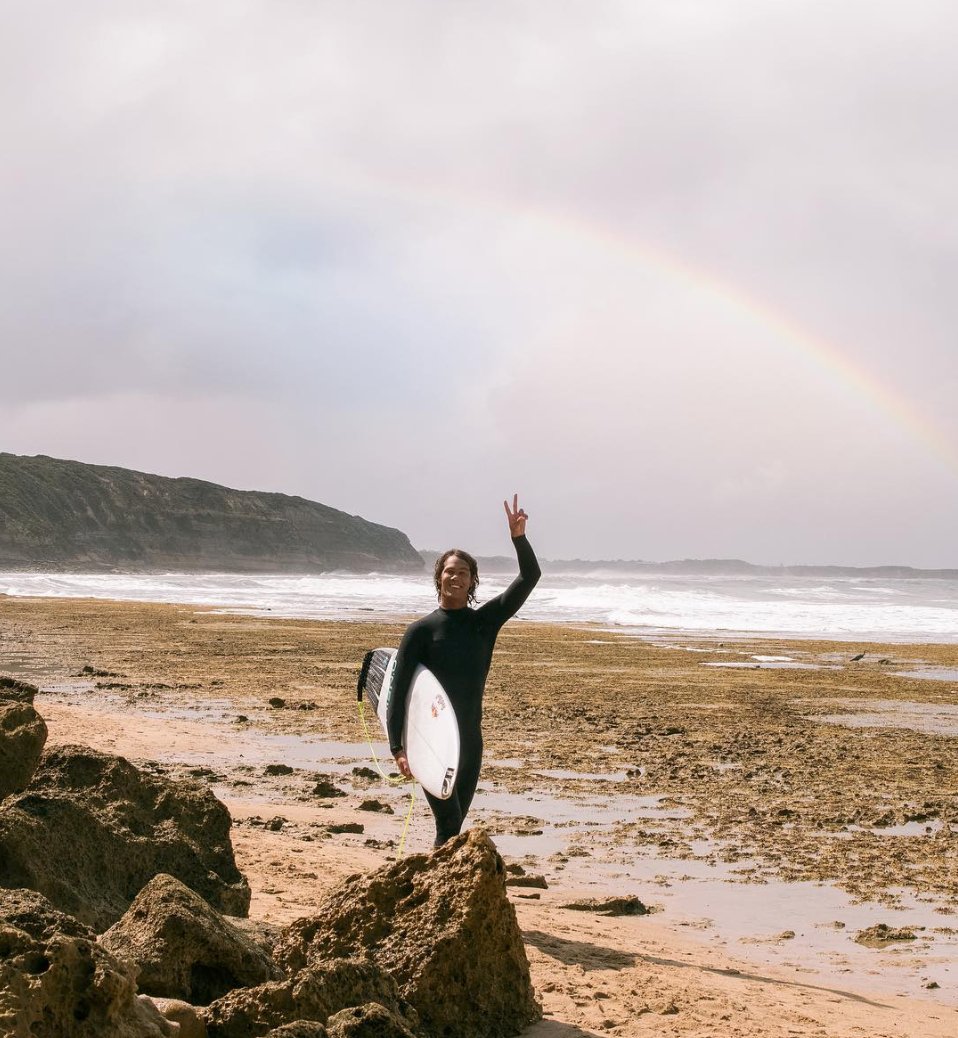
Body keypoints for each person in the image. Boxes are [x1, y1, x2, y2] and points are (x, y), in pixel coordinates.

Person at [387, 495, 541, 846]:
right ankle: (440, 893)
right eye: (449, 571)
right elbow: (399, 691)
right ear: (438, 578)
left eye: (463, 573)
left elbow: (530, 576)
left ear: (472, 582)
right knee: (449, 824)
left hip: (470, 742)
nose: (455, 577)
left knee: (453, 829)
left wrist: (519, 538)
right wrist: (398, 747)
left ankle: (439, 890)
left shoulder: (484, 623)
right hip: (430, 738)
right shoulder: (421, 631)